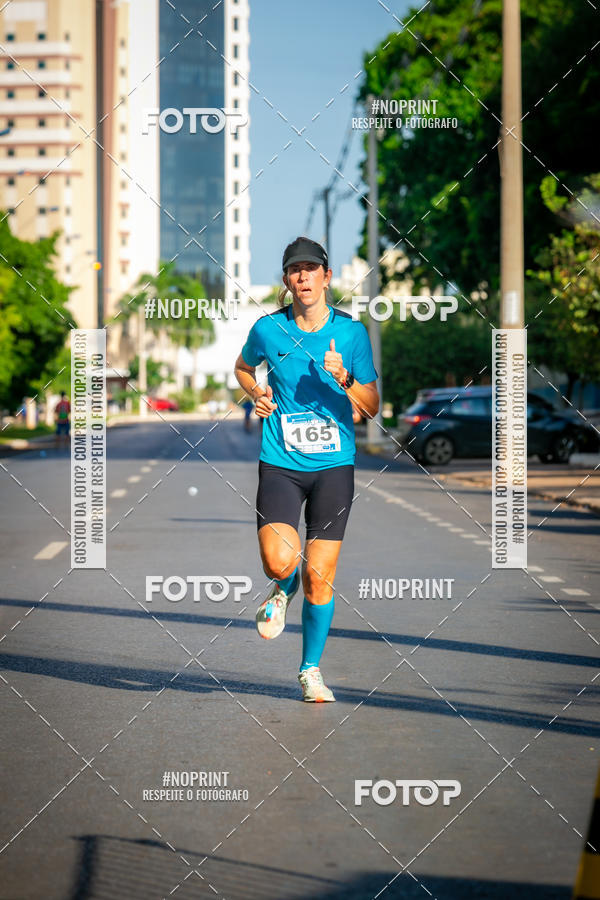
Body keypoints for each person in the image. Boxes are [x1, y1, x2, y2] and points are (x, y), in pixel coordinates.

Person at [234, 236, 379, 702]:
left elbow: (372, 407)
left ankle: (310, 670)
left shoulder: (352, 334)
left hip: (335, 467)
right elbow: (242, 367)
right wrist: (256, 392)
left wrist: (346, 378)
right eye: (295, 270)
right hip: (280, 462)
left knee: (322, 575)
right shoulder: (267, 329)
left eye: (311, 269)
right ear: (286, 280)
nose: (303, 277)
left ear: (326, 277)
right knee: (278, 559)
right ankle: (284, 585)